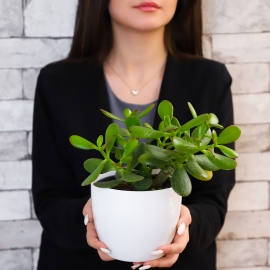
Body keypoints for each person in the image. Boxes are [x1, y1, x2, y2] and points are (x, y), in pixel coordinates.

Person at [32, 0, 235, 269]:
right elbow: (49, 199)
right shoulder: (56, 82)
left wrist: (184, 226)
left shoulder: (210, 79)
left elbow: (213, 200)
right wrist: (89, 217)